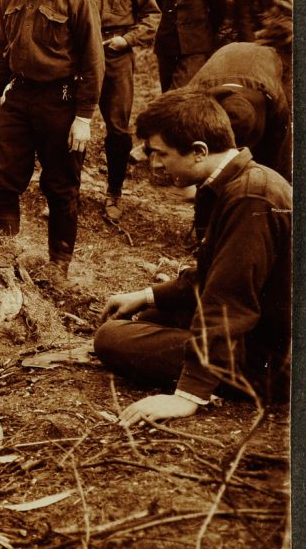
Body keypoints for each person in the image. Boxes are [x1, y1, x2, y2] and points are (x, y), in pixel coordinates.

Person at [94, 91, 290, 425]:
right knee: (151, 313)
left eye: (160, 153)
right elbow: (212, 272)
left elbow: (229, 300)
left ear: (199, 151)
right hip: (259, 327)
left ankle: (221, 378)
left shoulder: (250, 197)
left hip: (275, 355)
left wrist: (188, 395)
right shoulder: (229, 184)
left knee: (112, 338)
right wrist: (147, 295)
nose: (155, 164)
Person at [0, 0, 105, 277]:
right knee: (1, 182)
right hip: (18, 98)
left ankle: (57, 268)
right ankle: (1, 266)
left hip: (61, 101)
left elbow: (94, 63)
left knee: (61, 187)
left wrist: (84, 118)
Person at [66, 0, 161, 221]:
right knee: (72, 122)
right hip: (80, 59)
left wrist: (129, 40)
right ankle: (70, 191)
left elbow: (152, 16)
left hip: (117, 56)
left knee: (118, 129)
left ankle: (114, 193)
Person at [185, 42, 291, 182]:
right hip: (224, 56)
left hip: (264, 59)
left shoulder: (274, 98)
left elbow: (281, 145)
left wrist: (280, 182)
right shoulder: (193, 98)